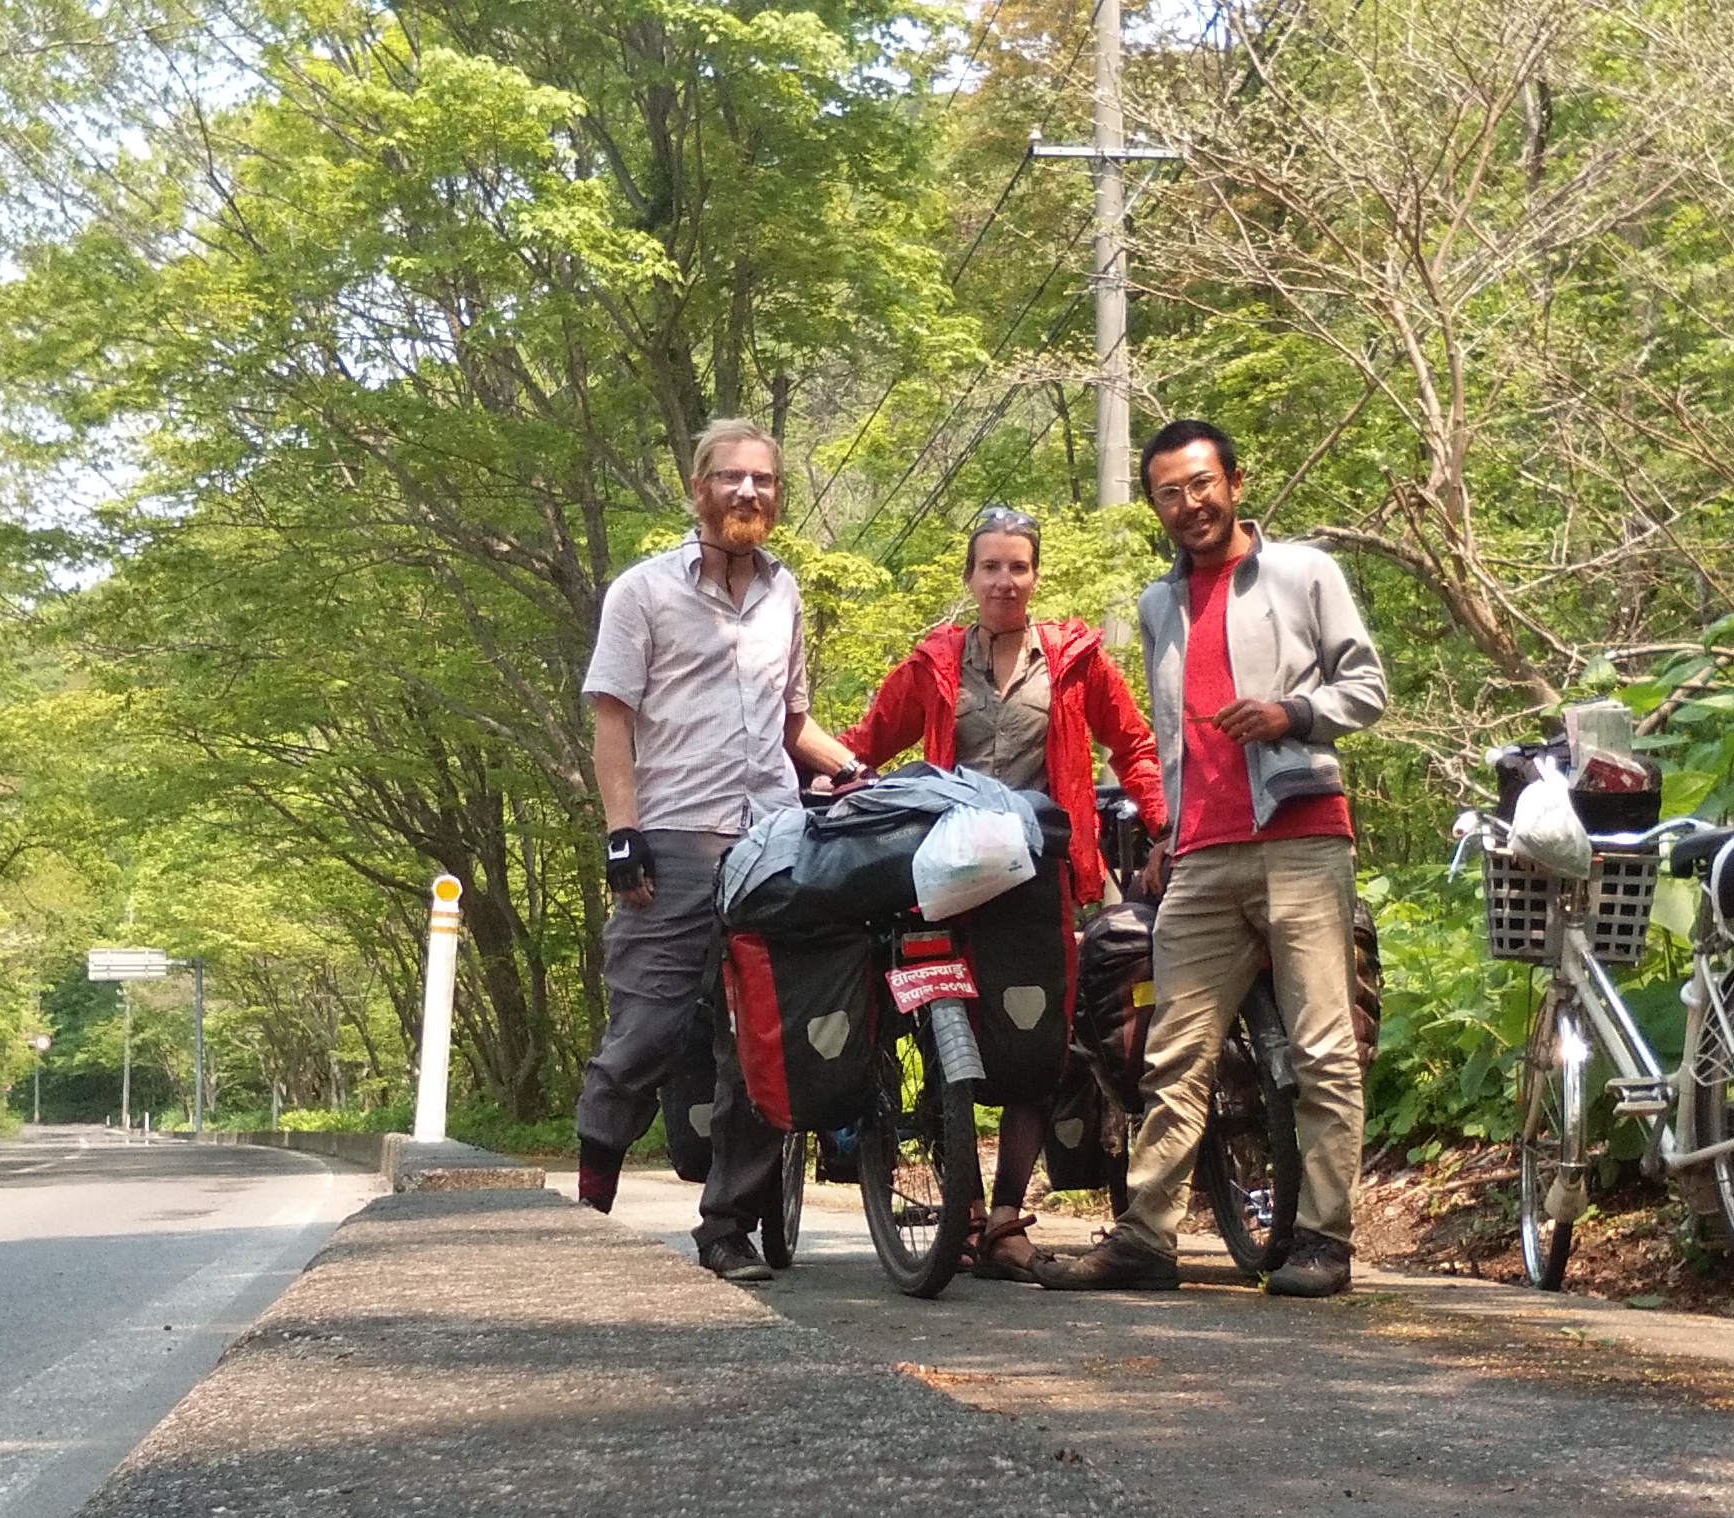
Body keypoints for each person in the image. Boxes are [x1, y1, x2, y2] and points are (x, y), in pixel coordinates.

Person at [1036, 419, 1388, 1299]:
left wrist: (1290, 715)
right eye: (1168, 492)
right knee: (1173, 1050)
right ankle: (1149, 1239)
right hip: (1201, 853)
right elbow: (1166, 737)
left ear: (1235, 480)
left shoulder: (1304, 572)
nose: (1188, 504)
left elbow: (1368, 688)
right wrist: (1168, 833)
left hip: (1301, 836)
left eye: (1201, 484)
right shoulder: (1160, 606)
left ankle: (1323, 1238)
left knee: (1322, 1048)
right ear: (1154, 502)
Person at [838, 504, 1169, 1278]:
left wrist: (1160, 824)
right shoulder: (933, 664)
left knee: (1036, 1046)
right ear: (970, 575)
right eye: (990, 566)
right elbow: (864, 745)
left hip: (1038, 871)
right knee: (933, 1023)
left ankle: (1004, 1219)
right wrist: (821, 784)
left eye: (1018, 566)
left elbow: (1134, 745)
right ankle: (956, 1200)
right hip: (945, 873)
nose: (1004, 580)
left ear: (1035, 574)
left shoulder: (1076, 660)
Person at [576, 418, 867, 1281]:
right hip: (671, 841)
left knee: (761, 1047)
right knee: (648, 1034)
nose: (749, 492)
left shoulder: (786, 594)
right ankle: (591, 1201)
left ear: (779, 497)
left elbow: (793, 722)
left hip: (775, 845)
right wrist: (621, 834)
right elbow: (611, 720)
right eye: (732, 478)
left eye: (765, 481)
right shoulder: (643, 592)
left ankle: (727, 1226)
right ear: (698, 488)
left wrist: (857, 770)